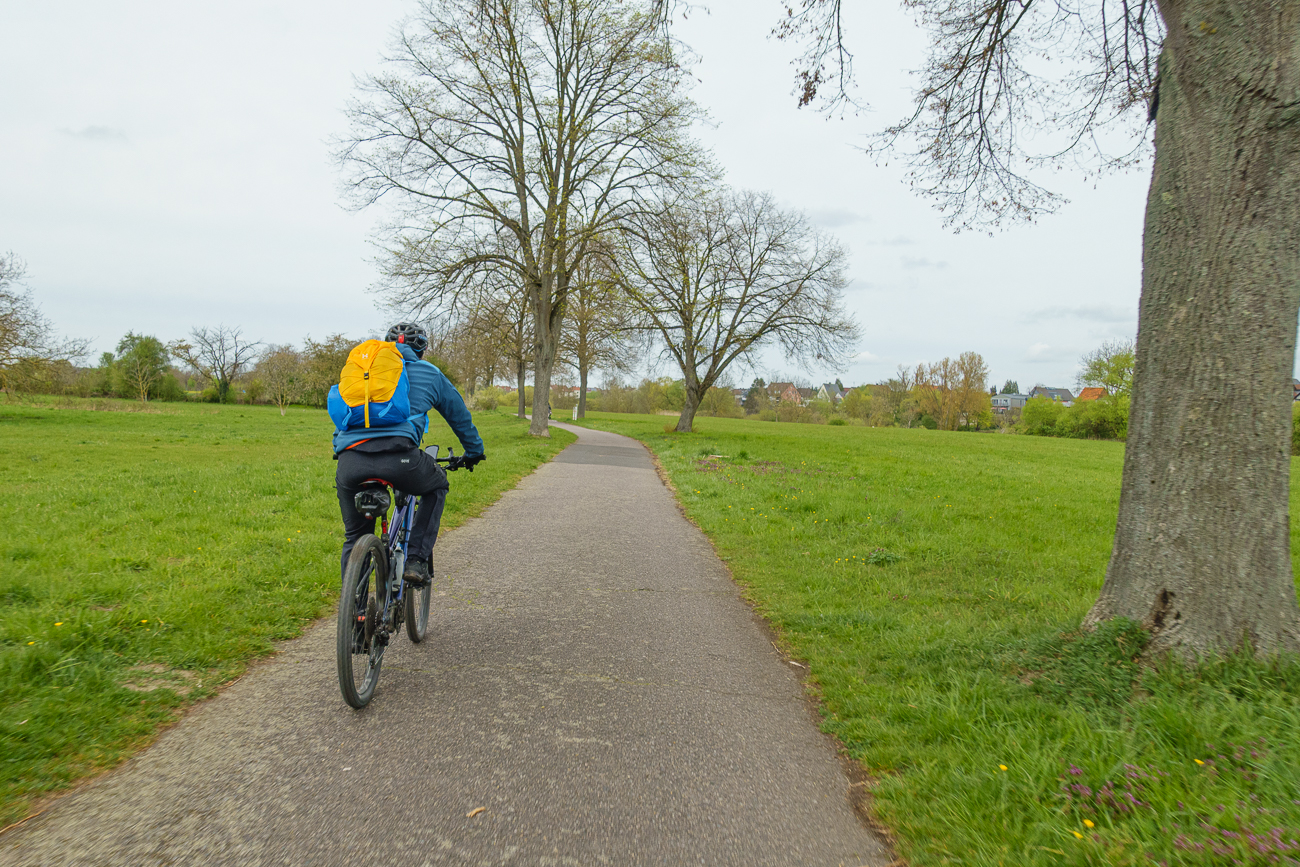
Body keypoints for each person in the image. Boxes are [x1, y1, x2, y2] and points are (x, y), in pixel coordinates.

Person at [332, 323, 485, 586]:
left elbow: (344, 417)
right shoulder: (429, 373)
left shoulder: (366, 373)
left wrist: (342, 450)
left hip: (350, 461)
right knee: (437, 485)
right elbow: (459, 417)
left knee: (354, 536)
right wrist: (474, 452)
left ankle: (352, 606)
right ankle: (416, 560)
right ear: (422, 349)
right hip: (400, 459)